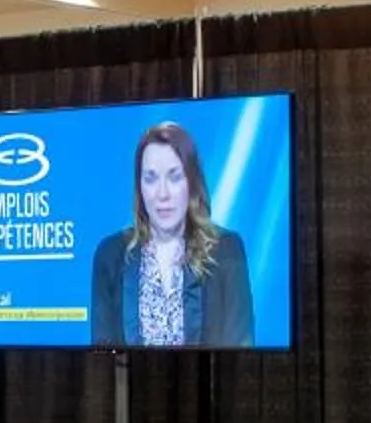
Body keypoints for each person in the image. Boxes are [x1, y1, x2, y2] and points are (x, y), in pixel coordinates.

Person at [89, 120, 253, 348]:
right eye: (151, 178)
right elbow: (102, 355)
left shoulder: (226, 249)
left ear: (192, 182)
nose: (162, 194)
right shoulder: (111, 255)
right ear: (140, 187)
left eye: (175, 177)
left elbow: (240, 350)